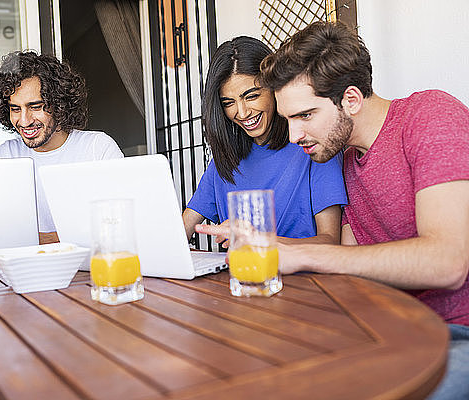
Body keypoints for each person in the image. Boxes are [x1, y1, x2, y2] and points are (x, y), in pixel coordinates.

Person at [200, 21, 468, 399]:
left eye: (304, 116)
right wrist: (277, 250)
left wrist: (305, 253)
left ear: (351, 99)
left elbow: (448, 262)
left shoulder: (428, 116)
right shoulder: (345, 161)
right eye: (288, 118)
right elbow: (352, 268)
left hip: (458, 331)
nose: (292, 136)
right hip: (393, 332)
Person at [183, 36, 347, 246]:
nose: (242, 113)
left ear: (273, 88)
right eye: (229, 102)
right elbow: (184, 228)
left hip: (300, 278)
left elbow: (330, 241)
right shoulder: (225, 159)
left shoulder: (313, 146)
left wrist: (259, 241)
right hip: (240, 276)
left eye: (251, 96)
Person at [0, 51, 124, 244]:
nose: (24, 121)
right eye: (15, 109)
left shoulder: (97, 148)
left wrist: (44, 239)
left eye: (35, 107)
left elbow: (118, 225)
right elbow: (2, 231)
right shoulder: (7, 154)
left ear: (59, 104)